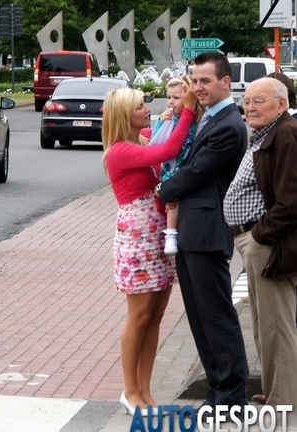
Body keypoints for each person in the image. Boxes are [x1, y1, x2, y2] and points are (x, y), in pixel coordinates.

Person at [157, 52, 249, 411]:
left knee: (216, 316)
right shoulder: (208, 117)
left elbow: (196, 171)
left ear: (226, 82)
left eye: (205, 81)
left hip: (208, 233)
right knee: (199, 317)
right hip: (193, 231)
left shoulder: (228, 123)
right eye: (195, 81)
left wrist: (162, 191)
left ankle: (231, 394)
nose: (198, 87)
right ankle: (217, 388)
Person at [102, 81, 197, 416]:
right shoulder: (120, 151)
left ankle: (145, 390)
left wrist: (170, 118)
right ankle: (129, 390)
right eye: (141, 105)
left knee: (155, 317)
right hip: (138, 237)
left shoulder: (139, 139)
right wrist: (186, 110)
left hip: (157, 233)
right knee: (139, 316)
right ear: (125, 115)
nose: (148, 108)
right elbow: (167, 151)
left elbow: (163, 144)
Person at [223, 77, 297, 427]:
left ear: (280, 105)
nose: (249, 107)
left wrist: (259, 236)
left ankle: (284, 406)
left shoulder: (286, 134)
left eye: (259, 101)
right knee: (263, 326)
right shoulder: (268, 133)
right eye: (247, 101)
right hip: (255, 242)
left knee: (276, 329)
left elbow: (291, 201)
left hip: (267, 244)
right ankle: (275, 392)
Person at [151, 78, 205, 254]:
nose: (170, 102)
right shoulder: (169, 118)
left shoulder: (196, 120)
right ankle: (170, 234)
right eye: (169, 97)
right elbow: (157, 141)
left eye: (176, 97)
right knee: (172, 201)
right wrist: (160, 122)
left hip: (187, 165)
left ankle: (173, 232)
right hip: (172, 168)